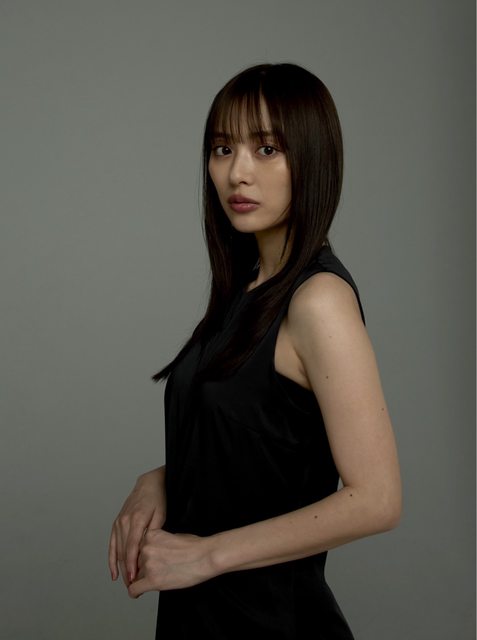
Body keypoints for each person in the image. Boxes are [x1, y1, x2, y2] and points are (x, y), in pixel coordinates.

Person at [108, 62, 402, 639]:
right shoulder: (246, 292)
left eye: (267, 149)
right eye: (223, 149)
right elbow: (261, 448)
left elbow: (378, 498)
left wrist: (207, 554)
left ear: (312, 159)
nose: (237, 172)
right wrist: (160, 479)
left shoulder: (317, 301)